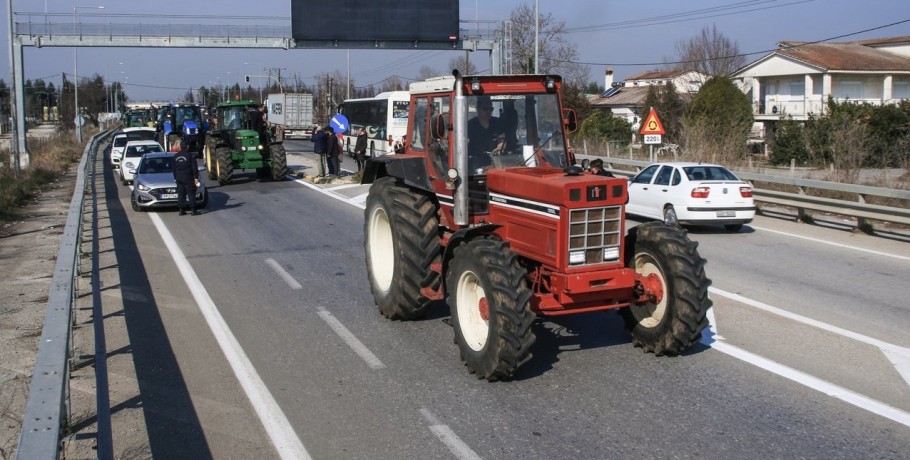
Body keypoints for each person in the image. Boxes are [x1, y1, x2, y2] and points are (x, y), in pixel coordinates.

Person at [467, 97, 505, 171]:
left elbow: (502, 140)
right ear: (477, 109)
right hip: (475, 162)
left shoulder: (497, 122)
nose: (488, 111)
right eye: (485, 109)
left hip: (494, 161)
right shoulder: (470, 125)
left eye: (491, 109)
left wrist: (500, 148)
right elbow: (465, 143)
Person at [172, 140, 200, 216]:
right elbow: (195, 168)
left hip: (179, 178)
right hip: (188, 178)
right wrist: (196, 178)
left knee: (181, 194)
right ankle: (193, 210)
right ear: (187, 147)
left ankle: (181, 210)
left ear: (180, 147)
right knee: (191, 194)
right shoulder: (190, 156)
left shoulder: (176, 156)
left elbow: (174, 169)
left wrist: (175, 178)